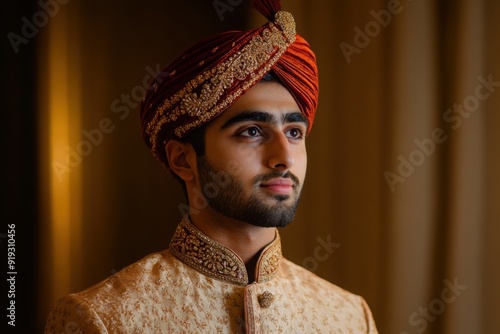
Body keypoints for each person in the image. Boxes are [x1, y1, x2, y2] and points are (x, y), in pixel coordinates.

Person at [44, 0, 378, 332]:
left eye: (294, 132)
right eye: (251, 132)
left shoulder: (347, 316)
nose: (285, 158)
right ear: (182, 159)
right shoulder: (101, 317)